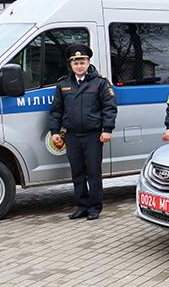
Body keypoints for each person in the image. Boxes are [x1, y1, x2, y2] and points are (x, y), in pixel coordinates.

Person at [49, 43, 118, 221]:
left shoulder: (100, 82)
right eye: (76, 63)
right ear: (71, 65)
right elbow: (56, 110)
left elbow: (109, 108)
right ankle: (82, 206)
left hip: (93, 135)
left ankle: (95, 207)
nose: (79, 66)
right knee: (77, 173)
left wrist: (107, 129)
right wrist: (54, 131)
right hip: (71, 135)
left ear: (88, 63)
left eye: (82, 62)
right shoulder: (63, 84)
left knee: (93, 173)